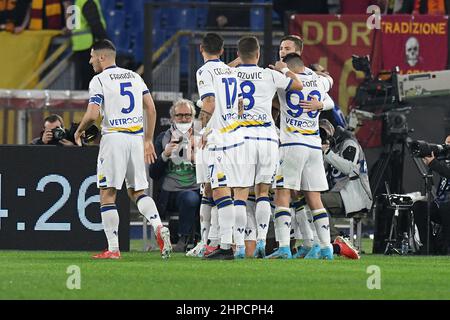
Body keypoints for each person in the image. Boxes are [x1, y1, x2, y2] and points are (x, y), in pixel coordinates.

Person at [73, 39, 172, 259]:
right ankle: (158, 226)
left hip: (114, 138)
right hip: (135, 139)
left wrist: (79, 130)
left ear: (101, 57)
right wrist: (147, 139)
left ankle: (114, 249)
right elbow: (151, 109)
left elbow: (92, 114)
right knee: (137, 191)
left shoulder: (99, 80)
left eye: (91, 56)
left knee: (107, 194)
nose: (89, 61)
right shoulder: (135, 77)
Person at [234, 36, 304, 258]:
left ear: (239, 55)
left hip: (242, 136)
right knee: (263, 192)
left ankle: (239, 245)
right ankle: (263, 241)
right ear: (258, 55)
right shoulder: (269, 73)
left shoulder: (229, 74)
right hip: (266, 136)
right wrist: (284, 69)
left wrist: (235, 63)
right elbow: (298, 85)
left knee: (241, 193)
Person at [269, 53, 333, 260]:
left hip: (292, 144)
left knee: (282, 194)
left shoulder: (285, 80)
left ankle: (284, 248)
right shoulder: (320, 81)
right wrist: (320, 105)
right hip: (314, 146)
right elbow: (330, 84)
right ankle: (326, 248)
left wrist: (281, 70)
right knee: (314, 198)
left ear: (289, 66)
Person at [196, 32, 247, 260]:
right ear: (222, 49)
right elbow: (240, 105)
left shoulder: (204, 71)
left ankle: (226, 246)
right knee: (230, 190)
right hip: (235, 135)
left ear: (201, 48)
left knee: (219, 190)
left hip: (219, 139)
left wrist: (202, 129)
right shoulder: (231, 71)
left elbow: (209, 102)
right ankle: (229, 243)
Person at [149, 99, 201, 253]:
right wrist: (164, 155)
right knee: (189, 198)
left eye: (187, 115)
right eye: (179, 116)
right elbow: (153, 174)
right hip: (170, 195)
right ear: (172, 118)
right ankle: (183, 239)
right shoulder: (162, 139)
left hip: (197, 190)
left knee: (198, 197)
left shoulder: (202, 138)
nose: (184, 119)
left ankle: (206, 240)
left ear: (193, 117)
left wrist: (197, 161)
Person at [414, 135, 450, 254]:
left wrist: (434, 164)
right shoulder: (445, 161)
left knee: (446, 207)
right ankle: (428, 246)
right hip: (443, 205)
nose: (447, 147)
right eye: (446, 143)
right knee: (419, 206)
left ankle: (446, 247)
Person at [71, 0, 107, 90]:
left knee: (83, 83)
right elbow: (95, 24)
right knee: (89, 84)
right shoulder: (88, 2)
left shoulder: (78, 2)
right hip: (89, 46)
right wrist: (105, 41)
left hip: (79, 45)